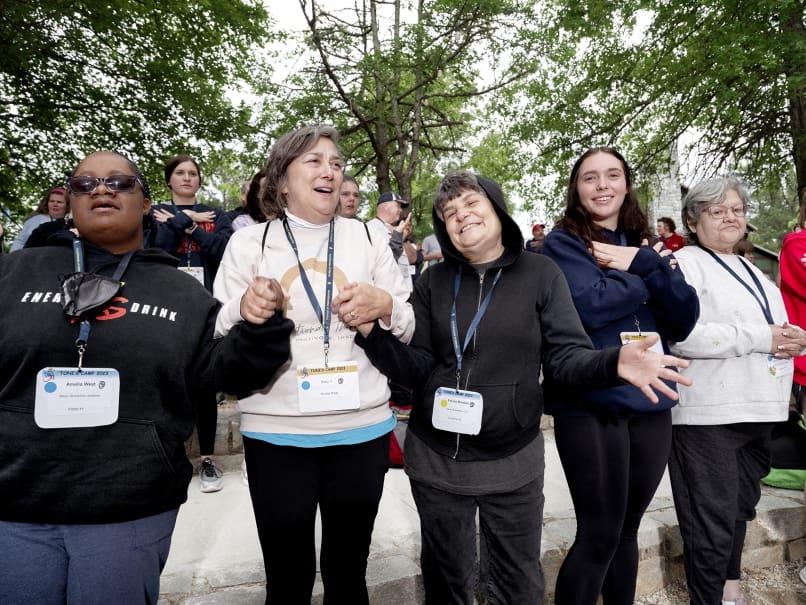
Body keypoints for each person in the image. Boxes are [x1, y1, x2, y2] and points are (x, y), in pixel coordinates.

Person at [354, 169, 694, 605]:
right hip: (437, 463)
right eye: (449, 212)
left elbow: (565, 358)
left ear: (496, 209)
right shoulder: (432, 283)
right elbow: (415, 369)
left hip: (512, 462)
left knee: (518, 586)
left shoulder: (541, 273)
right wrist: (372, 335)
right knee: (446, 582)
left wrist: (613, 363)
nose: (462, 216)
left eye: (471, 204)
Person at [0, 151, 292, 604]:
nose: (101, 190)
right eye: (84, 184)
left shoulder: (184, 293)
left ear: (145, 203)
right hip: (13, 509)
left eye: (119, 183)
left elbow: (229, 374)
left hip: (128, 510)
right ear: (71, 201)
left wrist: (264, 326)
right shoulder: (12, 275)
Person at [213, 125, 414, 604]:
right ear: (281, 180)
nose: (330, 171)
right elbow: (216, 329)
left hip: (361, 430)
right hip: (277, 433)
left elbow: (407, 326)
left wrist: (384, 302)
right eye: (314, 161)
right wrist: (245, 307)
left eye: (336, 163)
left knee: (348, 575)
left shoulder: (367, 237)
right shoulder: (250, 244)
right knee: (287, 580)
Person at [541, 147, 700, 605]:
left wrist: (642, 263)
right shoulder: (563, 244)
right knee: (599, 533)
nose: (603, 185)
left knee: (628, 530)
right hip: (593, 402)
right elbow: (589, 304)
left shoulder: (642, 241)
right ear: (577, 189)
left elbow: (684, 316)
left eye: (613, 175)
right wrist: (646, 273)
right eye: (590, 178)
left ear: (627, 184)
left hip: (650, 402)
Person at [668, 176, 806, 605]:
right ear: (693, 219)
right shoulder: (685, 264)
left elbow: (771, 331)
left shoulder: (754, 271)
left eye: (737, 210)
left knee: (738, 511)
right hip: (708, 416)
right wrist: (765, 338)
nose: (730, 217)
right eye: (716, 210)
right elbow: (682, 335)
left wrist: (793, 339)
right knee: (708, 523)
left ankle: (730, 591)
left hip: (759, 412)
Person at [152, 154, 234, 493]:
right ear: (170, 180)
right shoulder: (150, 212)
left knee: (203, 383)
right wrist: (181, 220)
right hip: (165, 304)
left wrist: (188, 224)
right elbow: (158, 251)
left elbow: (223, 250)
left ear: (199, 180)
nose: (187, 178)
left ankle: (208, 459)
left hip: (205, 306)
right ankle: (165, 455)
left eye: (193, 173)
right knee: (165, 380)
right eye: (180, 173)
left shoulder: (217, 215)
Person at [367, 190, 413, 292]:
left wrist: (401, 235)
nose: (400, 210)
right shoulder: (371, 228)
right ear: (385, 206)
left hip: (403, 292)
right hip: (388, 294)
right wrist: (397, 235)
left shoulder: (392, 229)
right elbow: (387, 261)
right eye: (398, 205)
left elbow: (410, 259)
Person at [9, 187, 69, 252]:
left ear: (67, 205)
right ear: (47, 203)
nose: (55, 204)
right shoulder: (35, 219)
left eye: (59, 202)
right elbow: (20, 241)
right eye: (52, 201)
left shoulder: (70, 224)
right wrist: (14, 257)